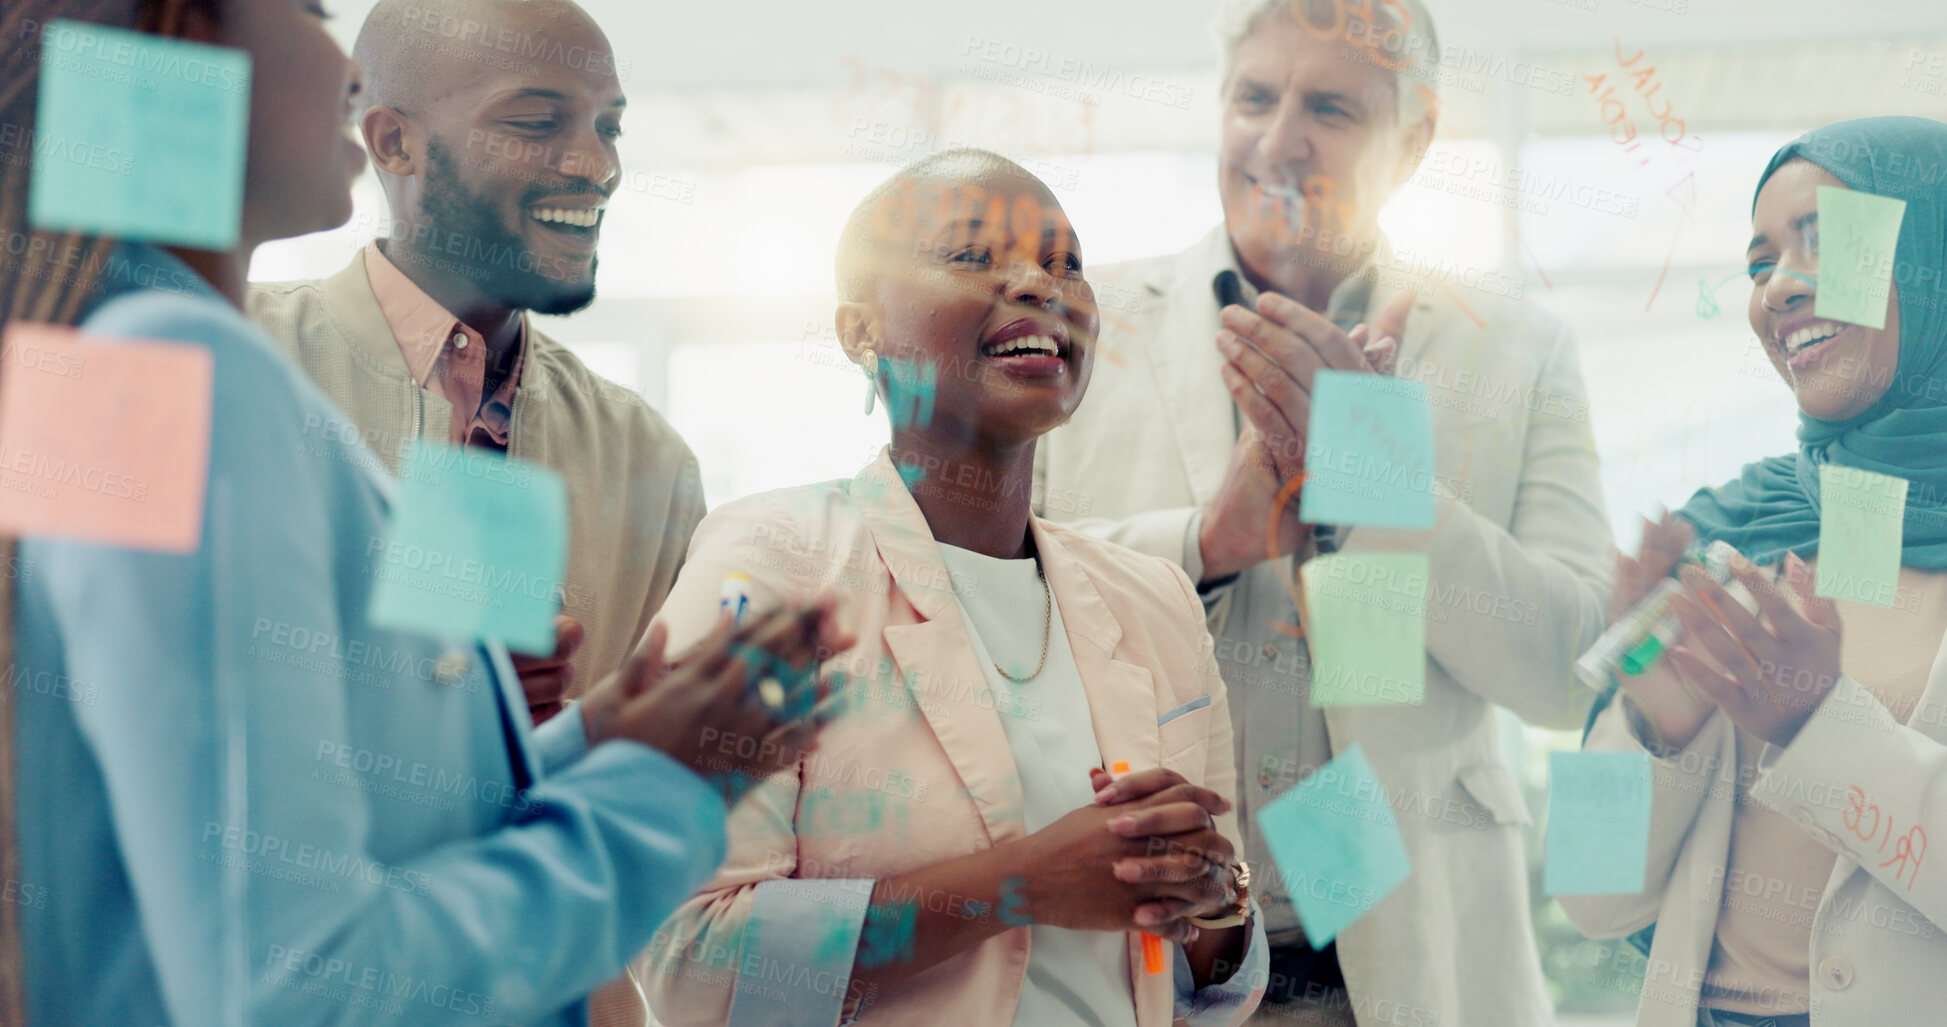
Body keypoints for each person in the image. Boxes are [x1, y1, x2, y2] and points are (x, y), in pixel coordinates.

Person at [0, 3, 840, 1024]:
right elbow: (300, 988)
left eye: (608, 126)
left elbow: (275, 843)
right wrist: (665, 790)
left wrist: (594, 743)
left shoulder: (117, 354)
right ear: (179, 43)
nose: (345, 63)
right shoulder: (191, 370)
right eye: (308, 9)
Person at [1032, 0, 1612, 1022]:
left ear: (1416, 138)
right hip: (1148, 966)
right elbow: (1000, 594)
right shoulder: (1081, 326)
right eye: (1255, 96)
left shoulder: (1516, 348)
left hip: (1410, 968)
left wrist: (1372, 476)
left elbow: (1572, 665)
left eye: (1332, 107)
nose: (1279, 139)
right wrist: (1206, 543)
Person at [637, 149, 1268, 1025]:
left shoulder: (1153, 599)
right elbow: (685, 958)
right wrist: (1014, 885)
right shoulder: (771, 561)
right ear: (860, 332)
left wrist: (1212, 897)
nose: (1039, 285)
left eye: (1065, 263)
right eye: (974, 257)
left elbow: (1203, 974)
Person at [1564, 116, 1947, 1027]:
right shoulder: (1734, 532)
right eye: (1757, 262)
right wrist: (1652, 715)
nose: (1777, 287)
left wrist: (1817, 723)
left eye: (1823, 239)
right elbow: (1588, 895)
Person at [248, 0, 703, 725]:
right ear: (394, 143)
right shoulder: (235, 354)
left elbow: (656, 779)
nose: (599, 166)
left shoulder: (648, 458)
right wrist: (422, 710)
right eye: (535, 123)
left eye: (608, 126)